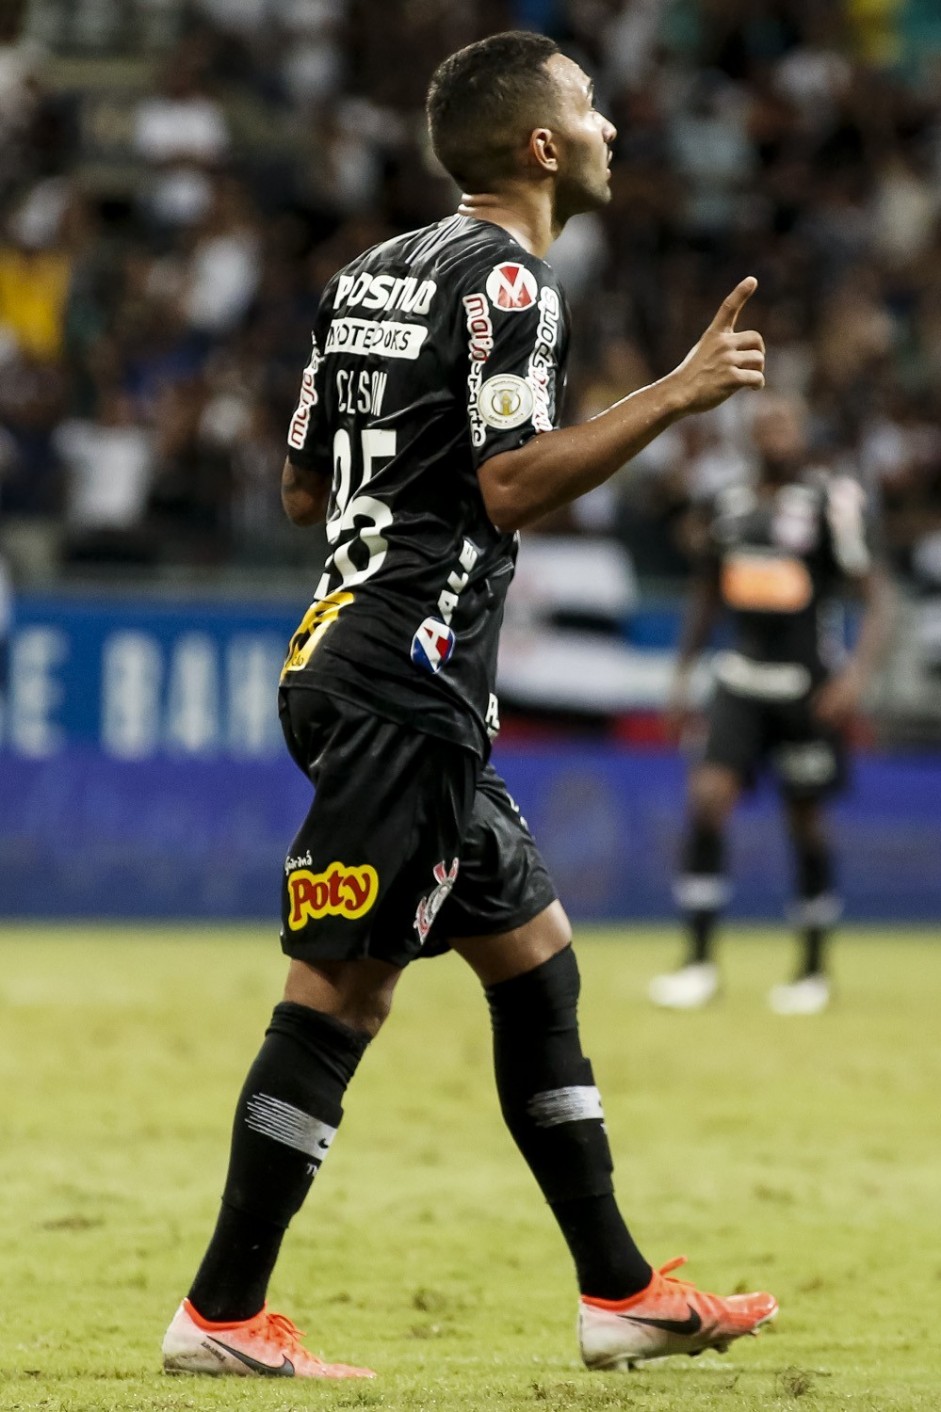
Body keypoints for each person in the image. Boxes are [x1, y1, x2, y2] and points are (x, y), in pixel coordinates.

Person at [162, 31, 776, 1380]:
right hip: (406, 687)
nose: (612, 126)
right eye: (591, 110)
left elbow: (302, 489)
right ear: (542, 148)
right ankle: (216, 1315)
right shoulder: (511, 277)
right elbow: (507, 486)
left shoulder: (365, 275)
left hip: (354, 654)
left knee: (536, 962)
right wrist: (677, 392)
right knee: (338, 1002)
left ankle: (617, 1292)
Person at [650, 393, 890, 1015]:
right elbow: (707, 598)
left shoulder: (829, 501)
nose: (776, 432)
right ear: (750, 436)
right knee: (707, 800)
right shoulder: (728, 506)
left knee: (805, 820)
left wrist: (855, 677)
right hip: (740, 678)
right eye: (765, 424)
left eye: (786, 422)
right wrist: (682, 679)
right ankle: (699, 964)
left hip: (807, 686)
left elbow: (878, 598)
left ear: (803, 432)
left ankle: (811, 970)